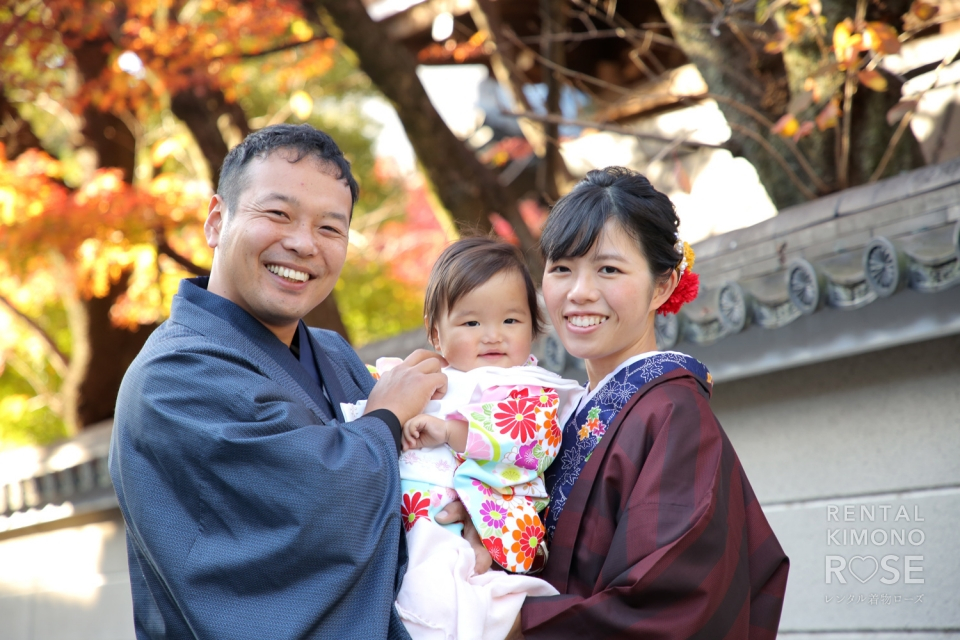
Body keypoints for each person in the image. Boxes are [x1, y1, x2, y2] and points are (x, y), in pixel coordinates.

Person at [110, 124, 465, 639]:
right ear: (216, 221)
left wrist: (461, 505)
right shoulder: (171, 378)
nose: (302, 244)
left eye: (330, 228)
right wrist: (386, 418)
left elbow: (413, 489)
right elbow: (313, 508)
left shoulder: (335, 354)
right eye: (277, 214)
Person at [514, 167, 789, 638]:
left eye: (608, 269)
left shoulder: (673, 416)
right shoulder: (560, 416)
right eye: (561, 268)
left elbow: (669, 602)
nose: (578, 292)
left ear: (661, 286)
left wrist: (512, 623)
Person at [346, 238, 583, 640]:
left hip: (489, 507)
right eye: (472, 323)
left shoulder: (530, 389)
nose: (493, 336)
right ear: (436, 334)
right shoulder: (427, 375)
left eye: (511, 321)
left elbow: (531, 439)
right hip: (414, 513)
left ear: (534, 324)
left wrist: (453, 431)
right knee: (411, 586)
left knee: (435, 596)